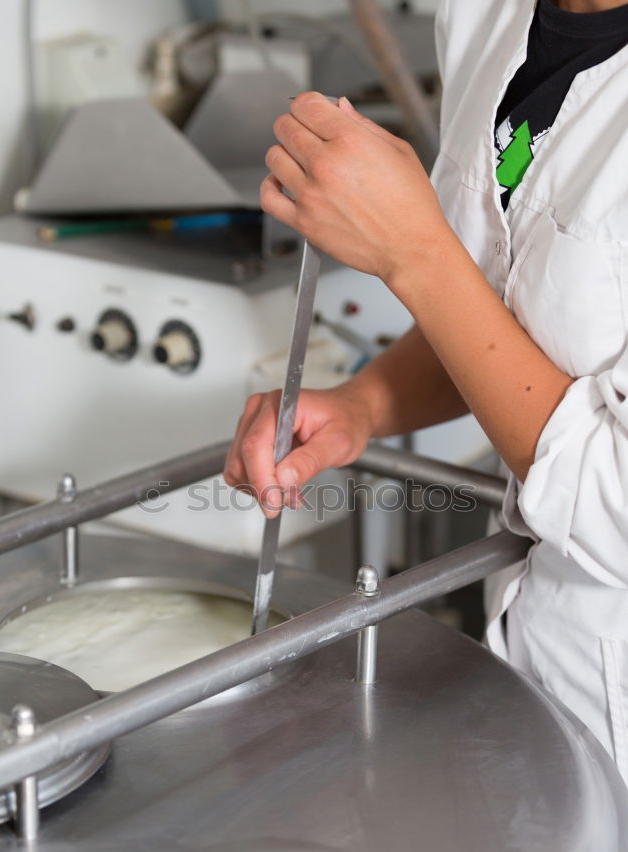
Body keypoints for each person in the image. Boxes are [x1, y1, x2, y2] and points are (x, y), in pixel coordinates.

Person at [224, 0, 628, 782]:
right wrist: (363, 404)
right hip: (536, 679)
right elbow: (503, 308)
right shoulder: (485, 14)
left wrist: (412, 251)